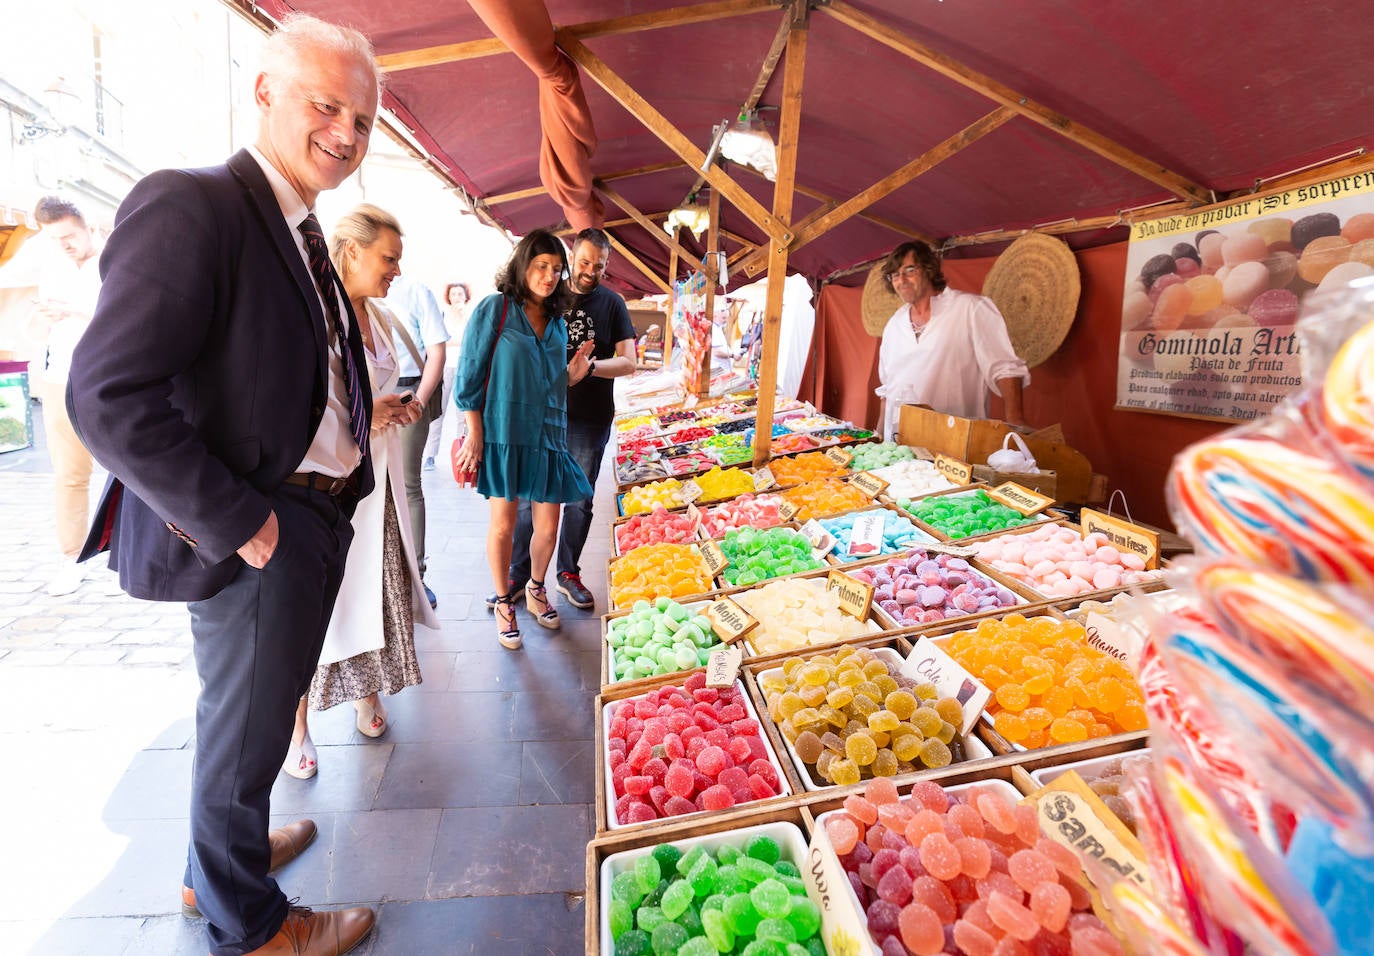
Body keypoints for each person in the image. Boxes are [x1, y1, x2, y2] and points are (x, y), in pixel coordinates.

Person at [65, 15, 381, 955]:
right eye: (326, 106)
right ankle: (252, 923)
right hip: (257, 525)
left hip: (303, 516)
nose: (345, 133)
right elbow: (104, 393)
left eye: (362, 119)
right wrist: (243, 521)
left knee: (240, 723)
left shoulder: (296, 223)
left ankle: (220, 863)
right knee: (245, 735)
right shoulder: (196, 202)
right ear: (265, 93)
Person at [282, 205, 438, 781]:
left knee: (372, 592)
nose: (396, 269)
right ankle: (296, 727)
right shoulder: (316, 314)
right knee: (316, 608)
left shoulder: (381, 315)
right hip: (332, 484)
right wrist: (372, 415)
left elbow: (373, 392)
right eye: (388, 258)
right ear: (351, 252)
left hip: (381, 481)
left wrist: (391, 410)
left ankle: (365, 692)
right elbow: (307, 405)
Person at [452, 229, 594, 649]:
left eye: (555, 269)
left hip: (547, 435)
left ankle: (535, 587)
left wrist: (572, 374)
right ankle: (503, 602)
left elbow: (551, 381)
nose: (549, 276)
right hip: (503, 434)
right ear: (522, 265)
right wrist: (475, 433)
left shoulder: (555, 323)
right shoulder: (495, 310)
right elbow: (469, 376)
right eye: (540, 266)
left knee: (548, 526)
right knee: (504, 524)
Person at [492, 228, 636, 611]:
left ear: (607, 265)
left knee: (579, 500)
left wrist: (589, 369)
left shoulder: (613, 304)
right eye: (585, 262)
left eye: (599, 266)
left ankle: (567, 573)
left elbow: (629, 360)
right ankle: (519, 575)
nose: (590, 271)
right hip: (539, 417)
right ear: (572, 257)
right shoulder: (549, 294)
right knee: (526, 499)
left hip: (589, 419)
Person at [875, 240, 1029, 441]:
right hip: (897, 444)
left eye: (909, 270)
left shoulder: (970, 309)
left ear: (929, 269)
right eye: (895, 274)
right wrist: (878, 436)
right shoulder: (894, 325)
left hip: (953, 442)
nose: (901, 279)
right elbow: (887, 389)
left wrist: (1016, 424)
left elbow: (1005, 369)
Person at [27, 196, 101, 596]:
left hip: (111, 379)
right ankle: (72, 558)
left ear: (87, 224)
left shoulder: (115, 259)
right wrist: (41, 319)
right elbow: (39, 336)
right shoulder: (51, 268)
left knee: (142, 470)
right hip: (61, 379)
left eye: (69, 235)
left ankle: (153, 550)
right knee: (70, 475)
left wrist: (78, 314)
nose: (65, 244)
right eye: (56, 239)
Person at [382, 273, 446, 610]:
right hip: (368, 391)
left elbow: (437, 352)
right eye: (387, 255)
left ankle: (416, 577)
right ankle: (382, 580)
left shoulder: (416, 290)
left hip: (409, 390)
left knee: (407, 485)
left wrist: (419, 401)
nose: (392, 265)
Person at [423, 280, 470, 470]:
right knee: (437, 413)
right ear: (448, 297)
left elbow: (472, 341)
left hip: (465, 369)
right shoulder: (441, 315)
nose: (457, 297)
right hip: (444, 368)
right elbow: (438, 341)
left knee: (463, 415)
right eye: (453, 294)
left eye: (460, 294)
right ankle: (430, 456)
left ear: (466, 296)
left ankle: (461, 456)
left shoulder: (471, 316)